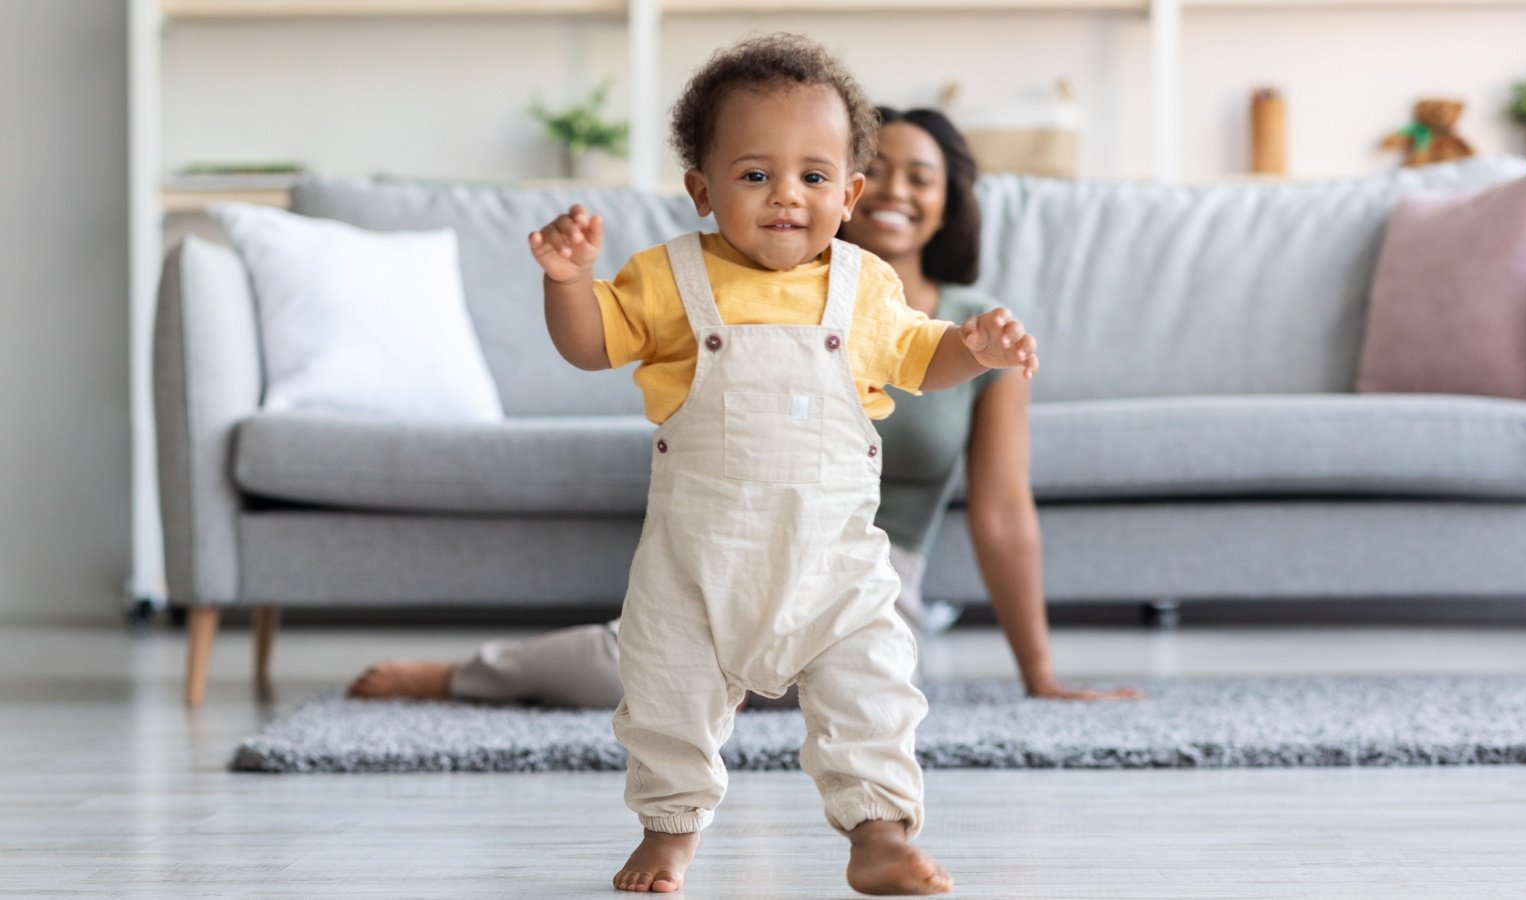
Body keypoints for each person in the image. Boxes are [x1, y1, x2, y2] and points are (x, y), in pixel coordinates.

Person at [348, 108, 1136, 709]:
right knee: (656, 663)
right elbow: (605, 342)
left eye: (921, 176)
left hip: (864, 564)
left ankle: (871, 818)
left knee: (851, 682)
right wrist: (569, 284)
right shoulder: (731, 287)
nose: (898, 189)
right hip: (732, 531)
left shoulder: (975, 328)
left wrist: (1042, 677)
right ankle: (465, 675)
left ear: (948, 199)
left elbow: (1001, 512)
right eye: (881, 168)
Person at [550, 33, 1035, 896]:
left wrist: (975, 347)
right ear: (702, 189)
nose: (786, 196)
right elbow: (591, 346)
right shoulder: (668, 279)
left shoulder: (866, 288)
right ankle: (668, 833)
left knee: (874, 694)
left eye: (813, 177)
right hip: (695, 569)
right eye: (753, 174)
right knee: (667, 702)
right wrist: (568, 281)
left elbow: (924, 361)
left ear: (849, 193)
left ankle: (878, 835)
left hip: (834, 568)